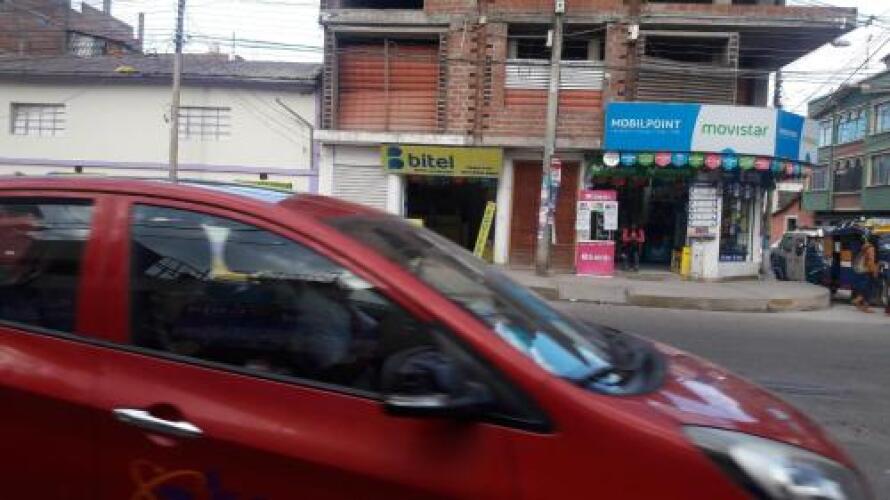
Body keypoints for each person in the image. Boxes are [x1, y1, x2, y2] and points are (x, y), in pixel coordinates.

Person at [851, 234, 877, 313]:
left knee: (863, 288)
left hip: (860, 270)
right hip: (866, 270)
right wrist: (873, 271)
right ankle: (864, 306)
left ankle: (859, 302)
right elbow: (870, 260)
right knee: (868, 289)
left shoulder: (864, 246)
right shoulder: (871, 248)